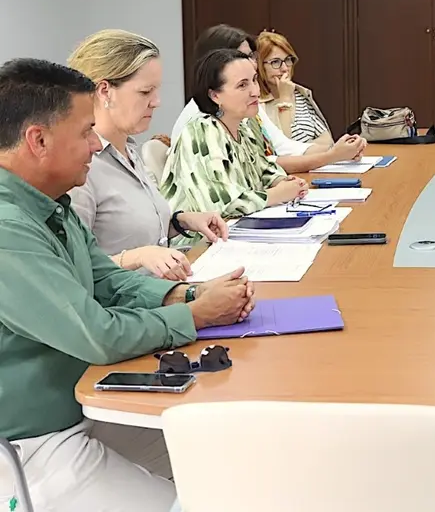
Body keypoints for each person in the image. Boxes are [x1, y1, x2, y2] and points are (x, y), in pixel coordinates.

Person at [0, 57, 256, 511]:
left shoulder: (48, 203)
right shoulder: (8, 228)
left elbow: (109, 280)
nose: (96, 145)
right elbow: (96, 335)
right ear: (37, 140)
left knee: (229, 468)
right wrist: (195, 314)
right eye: (84, 132)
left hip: (87, 405)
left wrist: (189, 294)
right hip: (32, 444)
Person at [66, 29, 228, 281]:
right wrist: (137, 257)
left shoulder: (129, 148)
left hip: (160, 290)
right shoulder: (81, 167)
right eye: (145, 92)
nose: (156, 102)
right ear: (104, 91)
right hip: (125, 308)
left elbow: (135, 229)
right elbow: (73, 268)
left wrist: (181, 221)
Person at [171, 24, 366, 174]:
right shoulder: (199, 121)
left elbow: (282, 149)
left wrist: (341, 151)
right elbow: (257, 171)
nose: (251, 64)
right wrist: (330, 157)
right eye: (242, 57)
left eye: (251, 56)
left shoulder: (246, 107)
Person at [161, 49, 309, 218]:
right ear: (215, 95)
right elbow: (222, 204)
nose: (255, 91)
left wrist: (284, 182)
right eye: (242, 85)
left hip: (239, 229)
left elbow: (264, 169)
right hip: (200, 240)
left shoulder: (244, 126)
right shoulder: (201, 132)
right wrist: (278, 194)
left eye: (254, 80)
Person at [256, 30, 332, 144]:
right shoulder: (257, 105)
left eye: (288, 60)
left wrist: (303, 151)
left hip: (317, 161)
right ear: (260, 65)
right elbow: (282, 146)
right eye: (275, 62)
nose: (285, 68)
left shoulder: (299, 93)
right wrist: (285, 98)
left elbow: (327, 140)